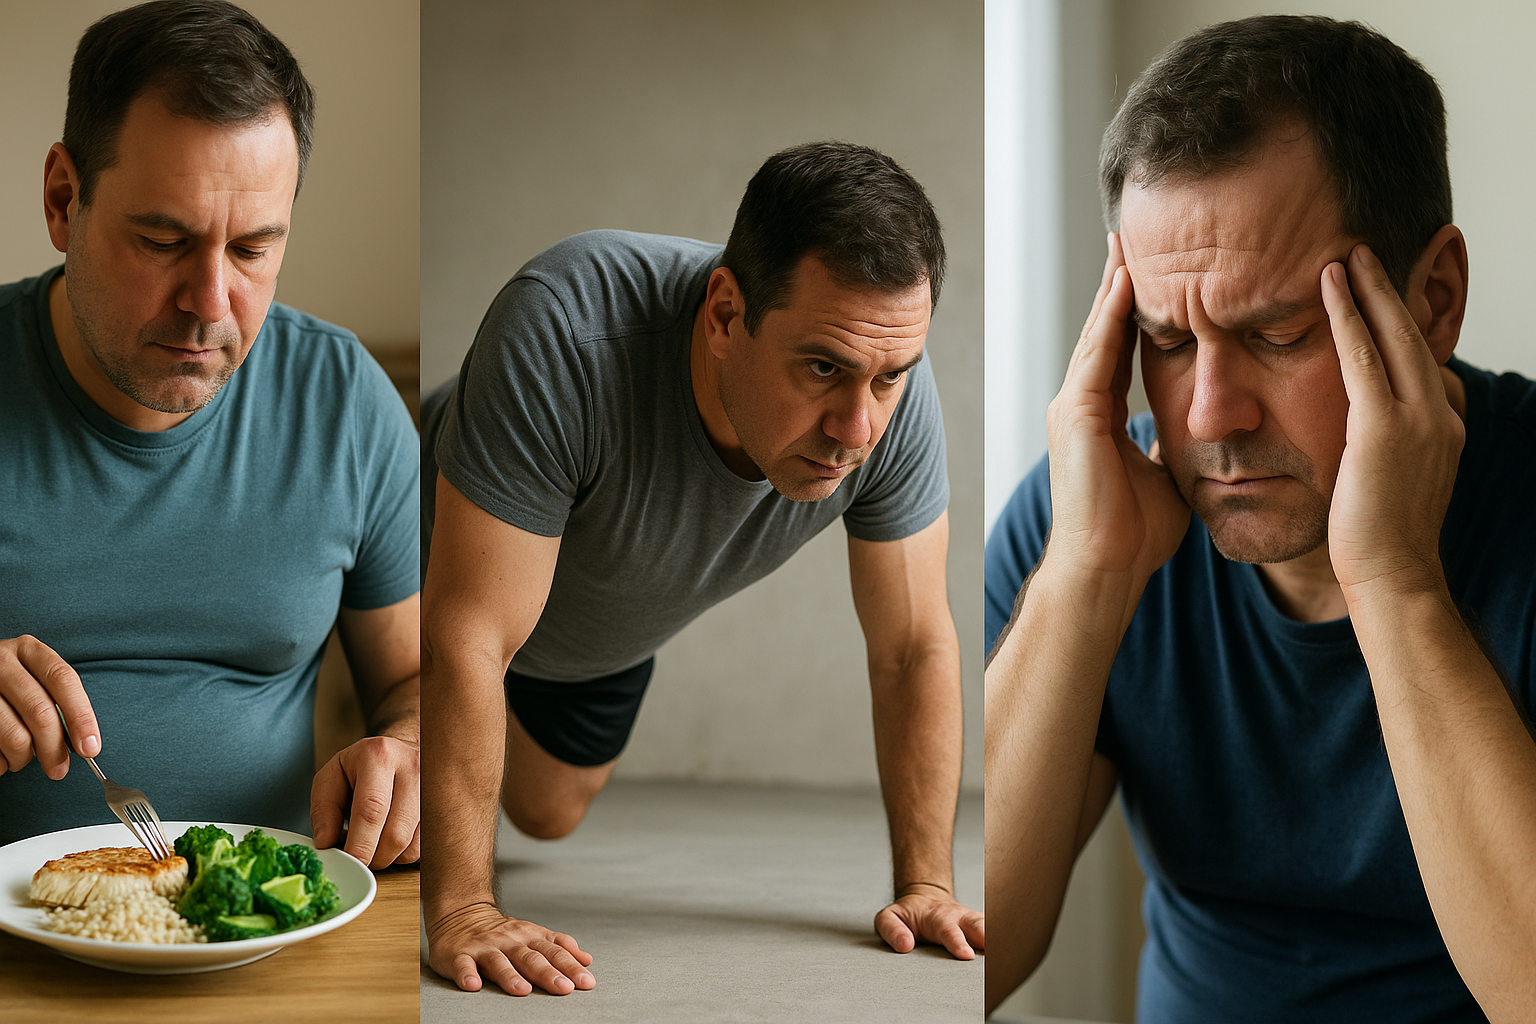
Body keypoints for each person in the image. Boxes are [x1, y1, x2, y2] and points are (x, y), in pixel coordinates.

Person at [984, 15, 1536, 1023]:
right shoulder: (1087, 522)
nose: (1209, 416)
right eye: (1166, 340)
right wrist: (1085, 580)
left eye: (1278, 334)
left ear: (1434, 299)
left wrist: (1396, 581)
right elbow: (970, 958)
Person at [420, 141, 984, 996]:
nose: (857, 429)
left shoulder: (885, 390)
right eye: (822, 368)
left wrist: (927, 887)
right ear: (724, 314)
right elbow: (467, 635)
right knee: (399, 782)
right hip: (435, 570)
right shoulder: (565, 327)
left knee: (548, 811)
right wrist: (463, 909)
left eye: (888, 378)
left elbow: (912, 648)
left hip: (599, 623)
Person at [0, 0, 421, 869]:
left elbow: (419, 678)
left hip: (266, 925)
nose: (209, 303)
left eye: (253, 250)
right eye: (163, 240)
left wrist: (413, 749)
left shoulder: (344, 403)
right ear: (63, 199)